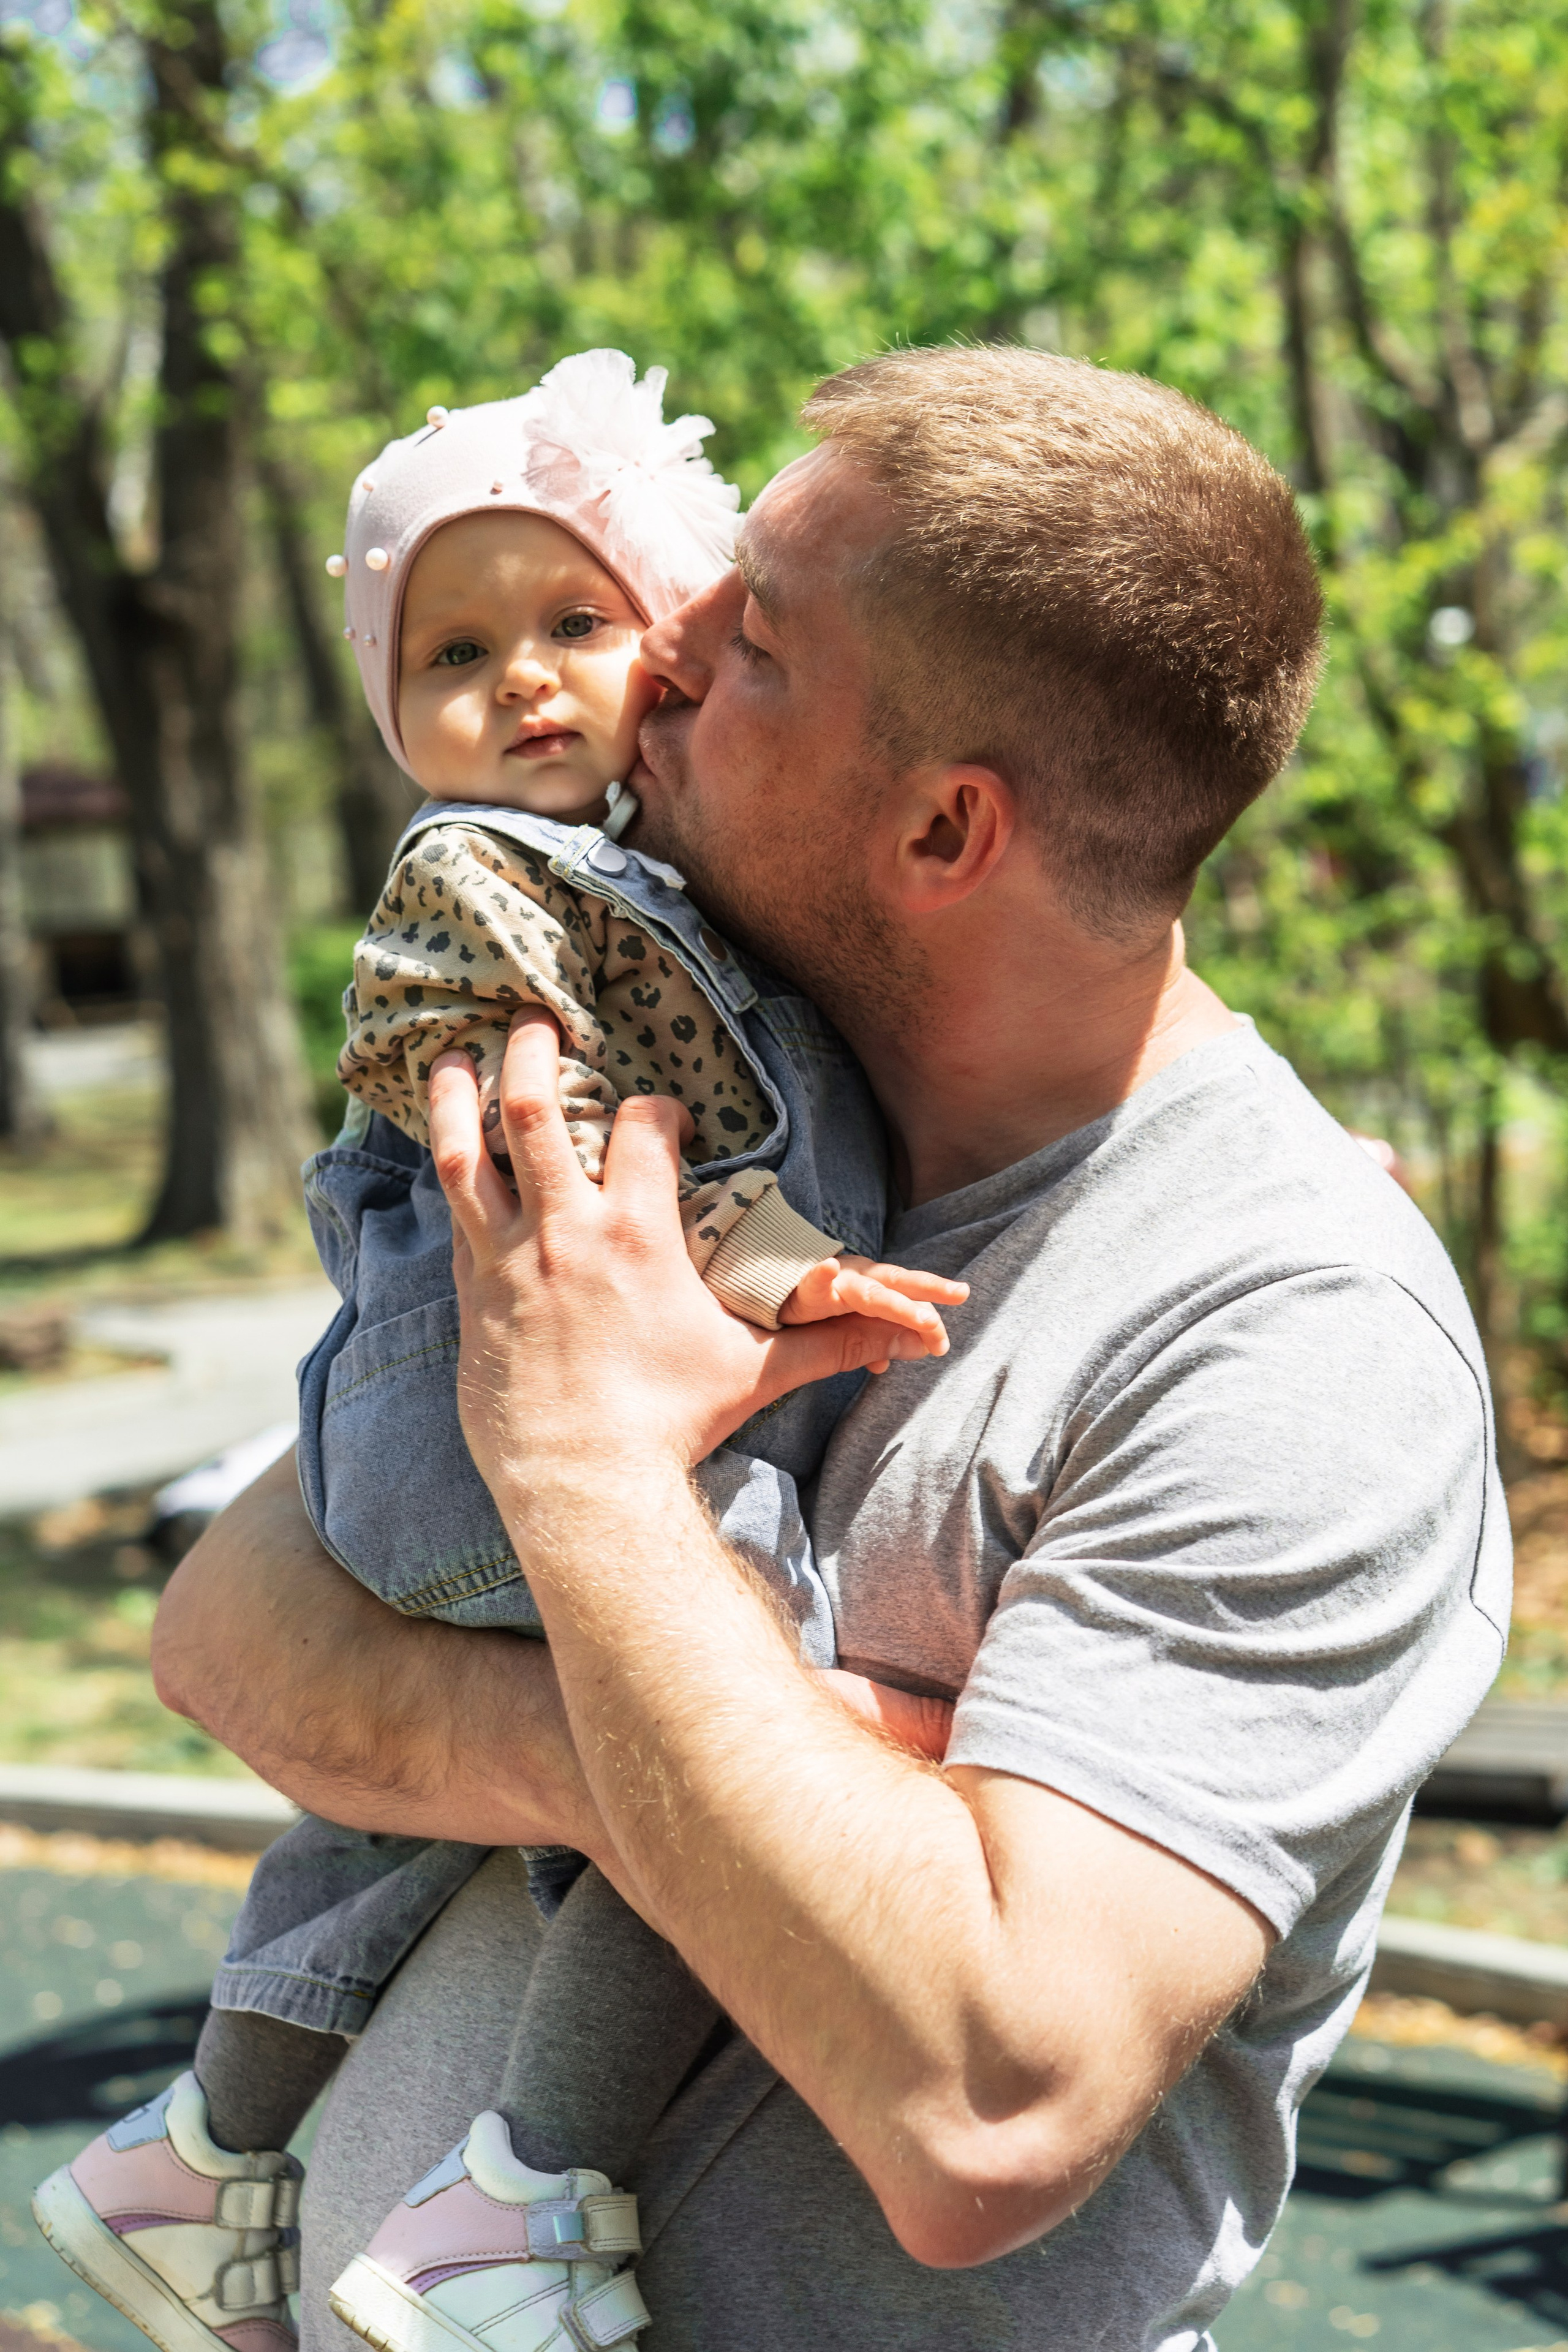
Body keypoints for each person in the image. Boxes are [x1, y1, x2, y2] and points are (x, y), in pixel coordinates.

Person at [152, 344, 1509, 2352]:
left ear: (947, 833)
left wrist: (593, 1490)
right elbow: (236, 1639)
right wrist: (672, 1767)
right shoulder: (701, 1106)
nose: (667, 636)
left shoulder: (1291, 1333)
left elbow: (986, 2101)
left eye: (757, 640)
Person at [33, 351, 961, 2352]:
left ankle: (202, 2154)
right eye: (455, 653)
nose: (524, 678)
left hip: (435, 1462)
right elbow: (590, 1136)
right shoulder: (497, 880)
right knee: (737, 1739)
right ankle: (531, 2197)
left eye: (575, 623)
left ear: (670, 648)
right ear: (392, 718)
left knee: (392, 1814)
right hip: (498, 1440)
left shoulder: (662, 891)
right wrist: (788, 1273)